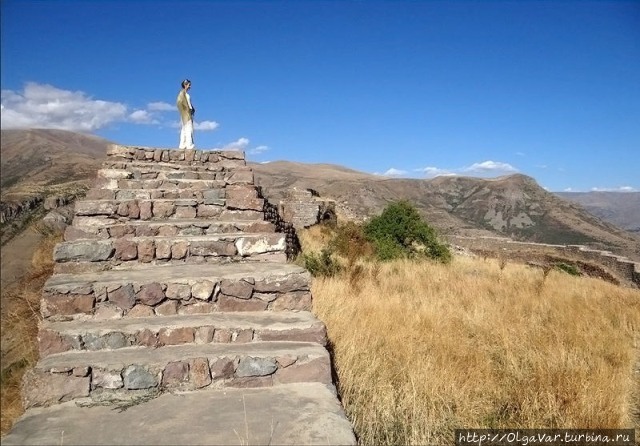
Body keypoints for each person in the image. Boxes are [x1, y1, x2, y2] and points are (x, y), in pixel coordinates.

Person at [176, 79, 195, 149]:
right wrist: (186, 109)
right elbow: (179, 102)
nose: (190, 86)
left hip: (187, 113)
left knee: (185, 128)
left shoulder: (186, 94)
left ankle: (183, 144)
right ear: (185, 85)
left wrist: (192, 108)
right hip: (186, 113)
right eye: (189, 85)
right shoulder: (182, 94)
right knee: (188, 128)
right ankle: (188, 144)